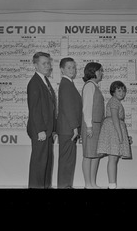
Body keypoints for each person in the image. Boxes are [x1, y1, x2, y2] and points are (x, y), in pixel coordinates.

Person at [26, 52, 56, 188]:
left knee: (46, 164)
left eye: (48, 63)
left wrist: (53, 129)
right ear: (35, 65)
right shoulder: (34, 83)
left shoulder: (45, 80)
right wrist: (40, 130)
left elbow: (50, 108)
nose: (48, 66)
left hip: (47, 130)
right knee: (39, 164)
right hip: (41, 131)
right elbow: (35, 109)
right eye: (44, 63)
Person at [97, 81, 132, 189]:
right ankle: (112, 185)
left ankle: (112, 184)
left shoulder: (116, 102)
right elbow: (115, 119)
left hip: (114, 129)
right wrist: (120, 135)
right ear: (113, 92)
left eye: (123, 90)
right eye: (119, 90)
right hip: (113, 130)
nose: (122, 93)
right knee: (113, 158)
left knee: (113, 158)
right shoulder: (114, 102)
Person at [56, 57, 82, 189]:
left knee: (68, 161)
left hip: (68, 129)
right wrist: (75, 127)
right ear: (62, 70)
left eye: (73, 67)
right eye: (69, 67)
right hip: (68, 129)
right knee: (66, 161)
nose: (72, 70)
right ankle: (64, 186)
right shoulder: (66, 84)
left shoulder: (69, 83)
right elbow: (68, 108)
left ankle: (66, 186)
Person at [81, 62, 105, 189]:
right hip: (90, 125)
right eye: (100, 70)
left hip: (97, 125)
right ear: (93, 72)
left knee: (95, 155)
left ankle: (93, 183)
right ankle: (87, 184)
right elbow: (87, 107)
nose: (101, 73)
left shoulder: (95, 86)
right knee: (88, 155)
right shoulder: (89, 86)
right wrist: (89, 126)